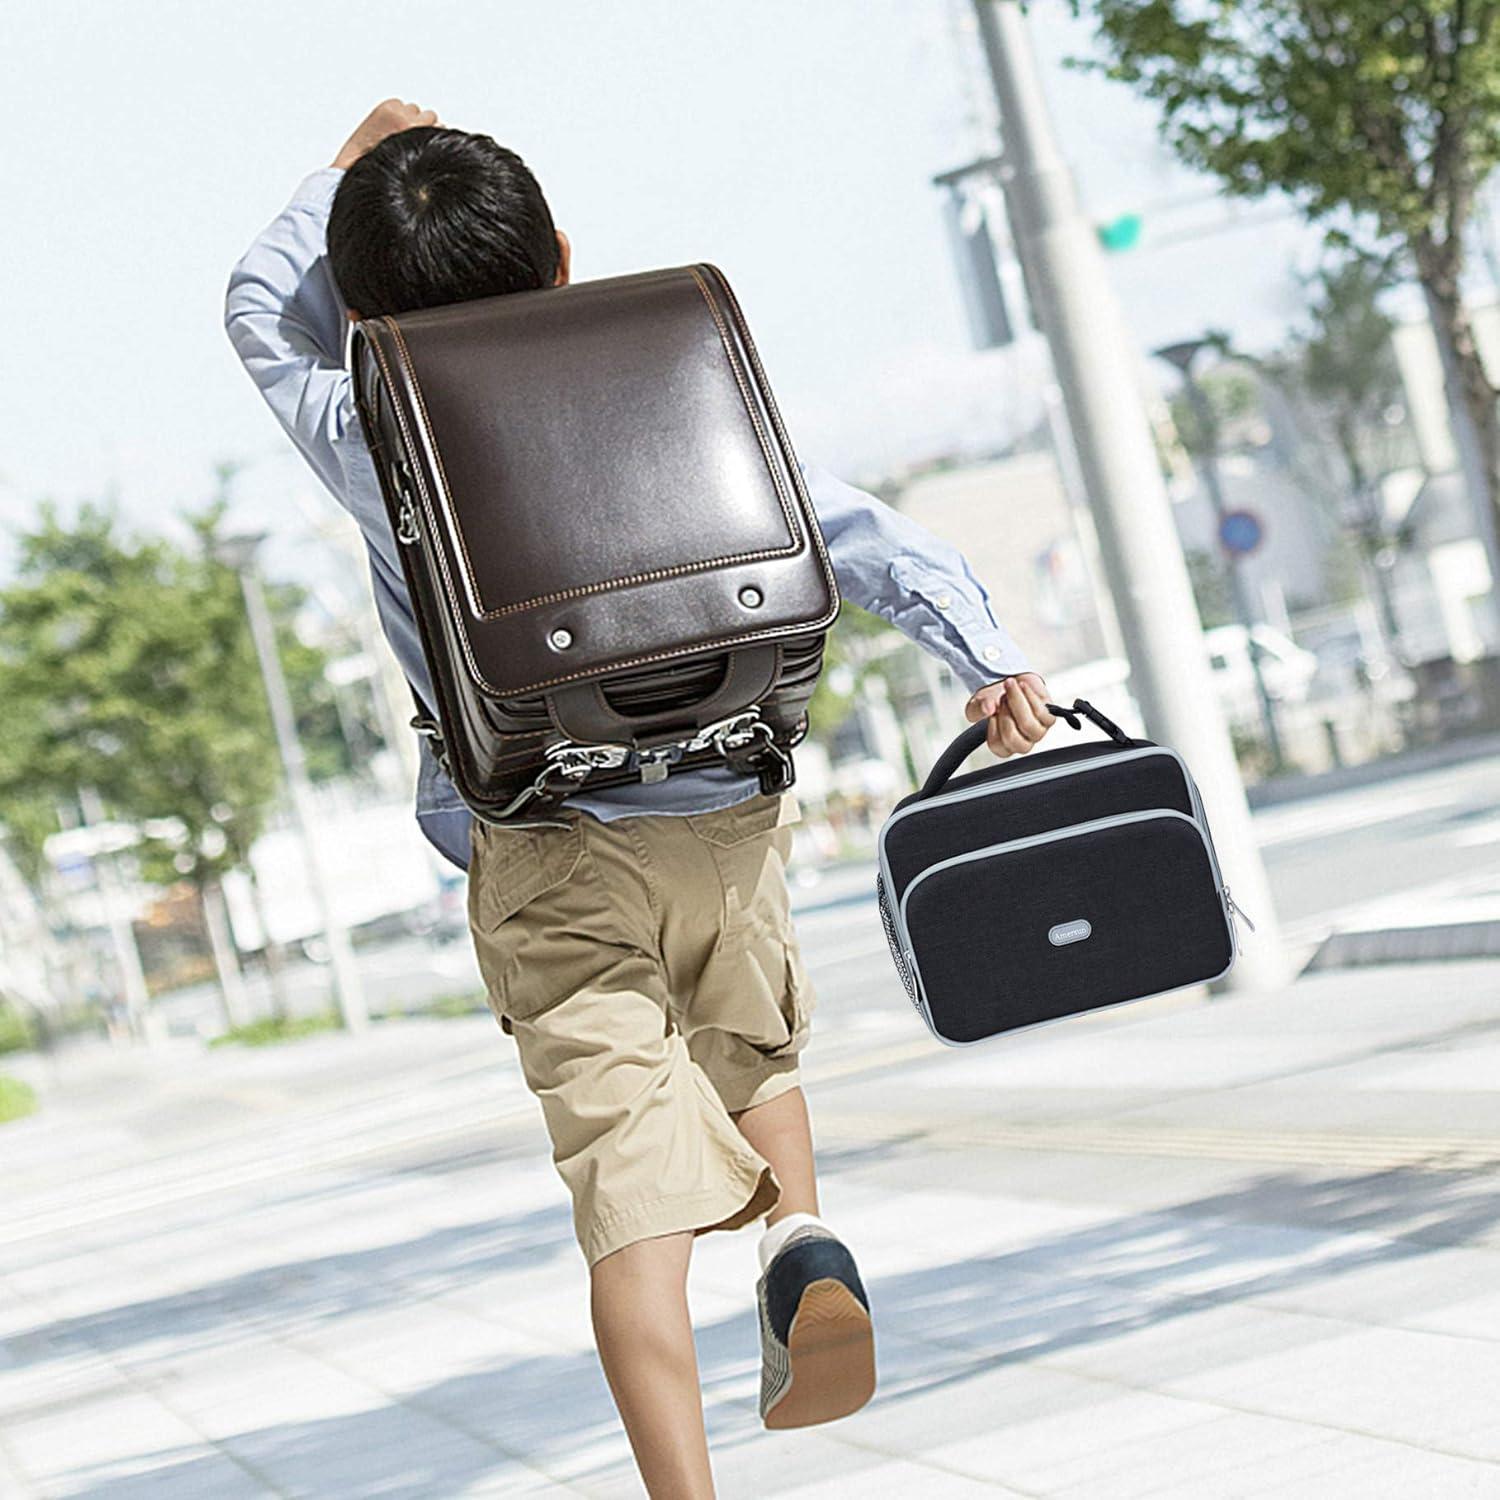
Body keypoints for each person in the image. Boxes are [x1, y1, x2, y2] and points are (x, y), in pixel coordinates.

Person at [226, 98, 1058, 1499]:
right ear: (560, 253)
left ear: (363, 318)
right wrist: (984, 651)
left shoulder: (365, 420)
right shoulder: (676, 368)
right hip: (727, 807)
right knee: (757, 1051)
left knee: (628, 1201)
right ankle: (799, 1237)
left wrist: (346, 167)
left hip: (547, 842)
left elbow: (260, 303)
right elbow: (839, 524)